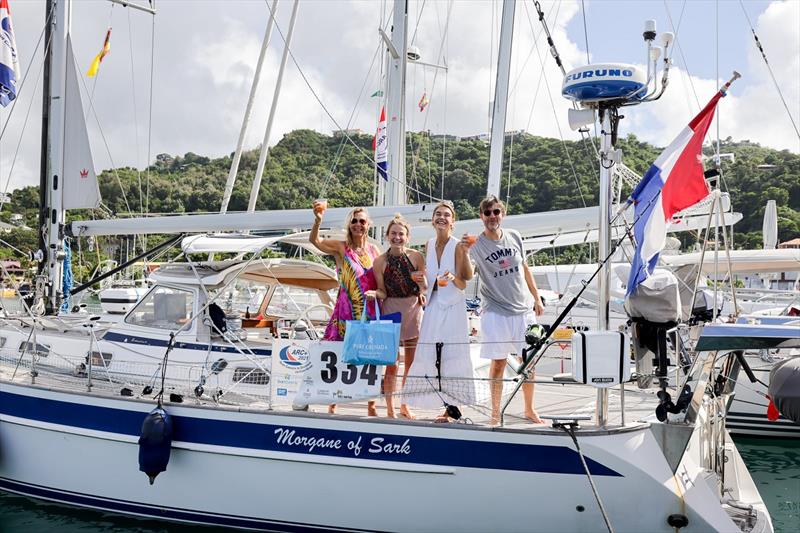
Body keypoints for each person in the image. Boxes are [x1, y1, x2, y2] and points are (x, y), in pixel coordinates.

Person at [464, 195, 544, 425]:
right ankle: (495, 412)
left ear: (503, 213)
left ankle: (529, 409)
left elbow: (525, 268)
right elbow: (468, 272)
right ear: (481, 216)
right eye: (487, 213)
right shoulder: (476, 245)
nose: (492, 217)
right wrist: (463, 250)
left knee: (529, 361)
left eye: (496, 212)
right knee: (498, 363)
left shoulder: (514, 236)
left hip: (523, 309)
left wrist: (536, 297)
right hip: (496, 310)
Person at [309, 201, 380, 416]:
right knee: (341, 353)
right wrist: (318, 220)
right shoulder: (342, 247)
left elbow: (382, 275)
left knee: (369, 355)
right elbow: (315, 241)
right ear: (350, 225)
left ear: (368, 225)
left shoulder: (374, 250)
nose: (358, 225)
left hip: (369, 308)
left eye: (362, 221)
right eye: (354, 221)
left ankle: (371, 405)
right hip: (346, 307)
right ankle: (333, 402)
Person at [407, 201, 476, 420]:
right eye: (438, 214)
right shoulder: (428, 244)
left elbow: (465, 280)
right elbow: (430, 280)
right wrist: (419, 279)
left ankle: (454, 406)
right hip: (434, 304)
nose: (442, 217)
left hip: (453, 306)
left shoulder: (457, 245)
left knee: (452, 355)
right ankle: (441, 402)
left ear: (452, 221)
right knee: (431, 353)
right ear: (433, 219)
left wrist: (463, 256)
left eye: (446, 215)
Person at [367, 215, 426, 419]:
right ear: (387, 236)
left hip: (413, 309)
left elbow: (423, 287)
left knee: (411, 363)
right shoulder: (380, 261)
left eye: (401, 234)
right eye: (393, 233)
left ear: (407, 237)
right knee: (392, 363)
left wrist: (422, 289)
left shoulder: (417, 257)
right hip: (391, 310)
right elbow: (382, 290)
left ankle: (405, 404)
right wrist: (375, 294)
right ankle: (390, 408)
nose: (397, 237)